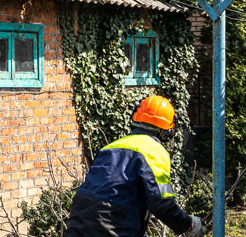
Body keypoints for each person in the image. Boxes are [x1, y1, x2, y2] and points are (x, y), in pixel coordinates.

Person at [65, 95, 205, 237]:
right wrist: (188, 225)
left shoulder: (110, 147)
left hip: (80, 216)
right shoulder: (154, 151)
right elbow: (162, 204)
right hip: (113, 222)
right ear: (166, 130)